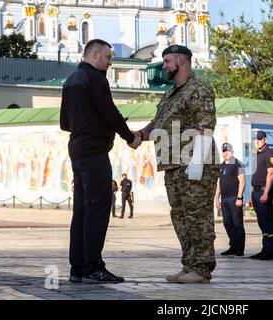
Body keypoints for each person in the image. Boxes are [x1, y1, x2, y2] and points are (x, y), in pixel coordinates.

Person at [134, 45, 219, 284]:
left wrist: (196, 164)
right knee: (180, 216)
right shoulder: (171, 93)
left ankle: (202, 269)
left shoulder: (199, 88)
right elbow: (158, 122)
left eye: (167, 61)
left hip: (194, 164)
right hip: (172, 165)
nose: (164, 66)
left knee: (197, 216)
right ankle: (189, 264)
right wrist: (139, 136)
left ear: (181, 60)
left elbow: (206, 126)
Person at [60, 39, 141, 283]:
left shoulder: (71, 79)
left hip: (77, 149)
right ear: (94, 56)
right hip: (94, 152)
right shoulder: (96, 78)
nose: (110, 62)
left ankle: (78, 268)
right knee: (97, 209)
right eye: (108, 57)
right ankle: (94, 266)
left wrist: (86, 121)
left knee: (82, 210)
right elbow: (110, 112)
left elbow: (65, 123)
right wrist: (130, 137)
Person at [248, 131, 273, 260]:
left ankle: (270, 250)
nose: (257, 141)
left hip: (264, 192)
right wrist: (251, 194)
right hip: (256, 191)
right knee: (261, 222)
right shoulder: (257, 154)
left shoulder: (270, 153)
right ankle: (265, 249)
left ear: (265, 139)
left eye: (260, 139)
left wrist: (266, 192)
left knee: (267, 221)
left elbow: (271, 173)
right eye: (256, 139)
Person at [215, 143, 246, 257]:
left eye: (227, 151)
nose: (225, 153)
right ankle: (233, 246)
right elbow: (219, 183)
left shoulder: (238, 164)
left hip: (234, 198)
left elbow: (242, 182)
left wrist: (239, 198)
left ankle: (239, 249)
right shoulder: (221, 165)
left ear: (232, 151)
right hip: (224, 199)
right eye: (224, 151)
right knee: (227, 223)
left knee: (237, 224)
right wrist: (216, 198)